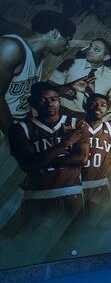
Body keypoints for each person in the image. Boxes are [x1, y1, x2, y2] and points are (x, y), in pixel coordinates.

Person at [7, 82, 88, 222]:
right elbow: (27, 166)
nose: (49, 104)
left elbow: (81, 159)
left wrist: (41, 161)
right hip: (37, 195)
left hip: (70, 193)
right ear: (32, 102)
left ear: (59, 100)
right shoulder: (20, 129)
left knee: (75, 240)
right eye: (42, 100)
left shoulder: (77, 124)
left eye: (54, 99)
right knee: (34, 242)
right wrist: (65, 144)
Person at [0, 10, 76, 132]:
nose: (67, 46)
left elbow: (24, 99)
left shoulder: (38, 58)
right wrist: (13, 136)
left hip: (14, 124)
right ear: (55, 33)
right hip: (5, 126)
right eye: (67, 40)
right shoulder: (11, 47)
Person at [49, 38, 111, 114]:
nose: (90, 50)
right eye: (90, 47)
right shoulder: (70, 64)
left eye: (96, 50)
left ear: (106, 57)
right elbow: (49, 89)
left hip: (91, 119)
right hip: (63, 113)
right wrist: (69, 87)